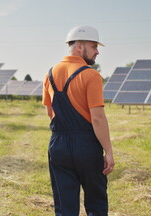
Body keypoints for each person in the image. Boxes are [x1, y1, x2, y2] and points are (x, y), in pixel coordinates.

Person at [42, 25, 114, 216]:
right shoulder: (91, 75)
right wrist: (108, 151)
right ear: (80, 47)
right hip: (86, 145)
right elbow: (97, 118)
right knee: (96, 203)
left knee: (64, 206)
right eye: (94, 46)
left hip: (58, 145)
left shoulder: (50, 74)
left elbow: (50, 112)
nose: (97, 51)